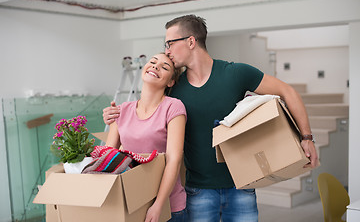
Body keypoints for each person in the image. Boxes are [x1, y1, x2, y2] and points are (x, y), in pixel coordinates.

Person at [103, 15, 319, 222]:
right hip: (197, 191)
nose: (167, 51)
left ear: (190, 41)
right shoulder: (173, 88)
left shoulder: (235, 73)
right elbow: (145, 111)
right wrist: (115, 115)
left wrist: (306, 137)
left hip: (241, 186)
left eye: (169, 43)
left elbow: (288, 92)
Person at [105, 53, 187, 222]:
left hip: (168, 206)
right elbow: (107, 159)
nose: (156, 67)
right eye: (152, 62)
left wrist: (158, 205)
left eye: (164, 67)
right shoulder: (122, 110)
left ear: (170, 82)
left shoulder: (173, 107)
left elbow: (174, 161)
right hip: (133, 203)